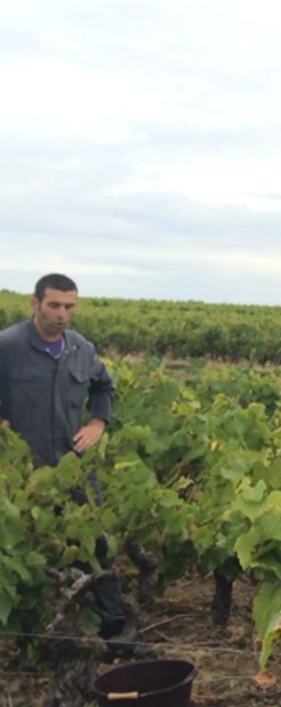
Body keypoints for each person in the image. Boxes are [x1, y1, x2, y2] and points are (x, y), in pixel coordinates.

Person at [0, 273, 126, 639]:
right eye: (54, 305)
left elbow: (104, 386)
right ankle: (31, 636)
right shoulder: (8, 346)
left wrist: (98, 424)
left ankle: (113, 630)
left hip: (74, 468)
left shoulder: (80, 349)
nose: (62, 314)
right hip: (23, 472)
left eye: (69, 306)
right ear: (35, 303)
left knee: (96, 544)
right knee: (27, 549)